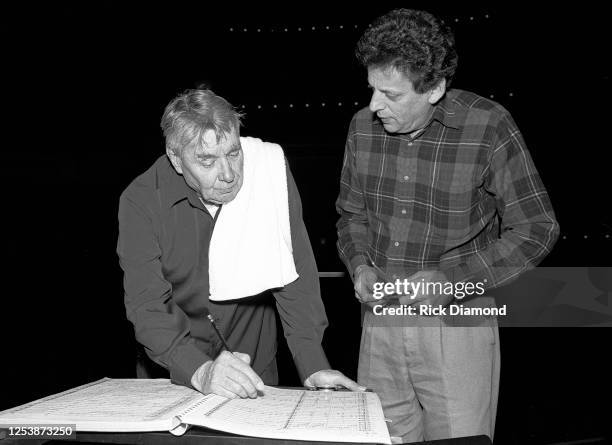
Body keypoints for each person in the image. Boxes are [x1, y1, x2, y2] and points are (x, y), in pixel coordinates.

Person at [336, 8, 559, 443]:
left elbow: (536, 229)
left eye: (391, 95)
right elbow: (352, 215)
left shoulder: (488, 125)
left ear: (435, 88)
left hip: (458, 326)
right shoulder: (361, 129)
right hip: (379, 321)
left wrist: (454, 282)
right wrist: (359, 265)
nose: (373, 106)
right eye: (372, 89)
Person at [118, 88, 362, 399]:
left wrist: (312, 362)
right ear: (176, 158)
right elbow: (147, 305)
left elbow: (295, 273)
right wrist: (199, 369)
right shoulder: (140, 201)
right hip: (173, 365)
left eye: (233, 153)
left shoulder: (269, 170)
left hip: (255, 365)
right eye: (206, 161)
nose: (229, 174)